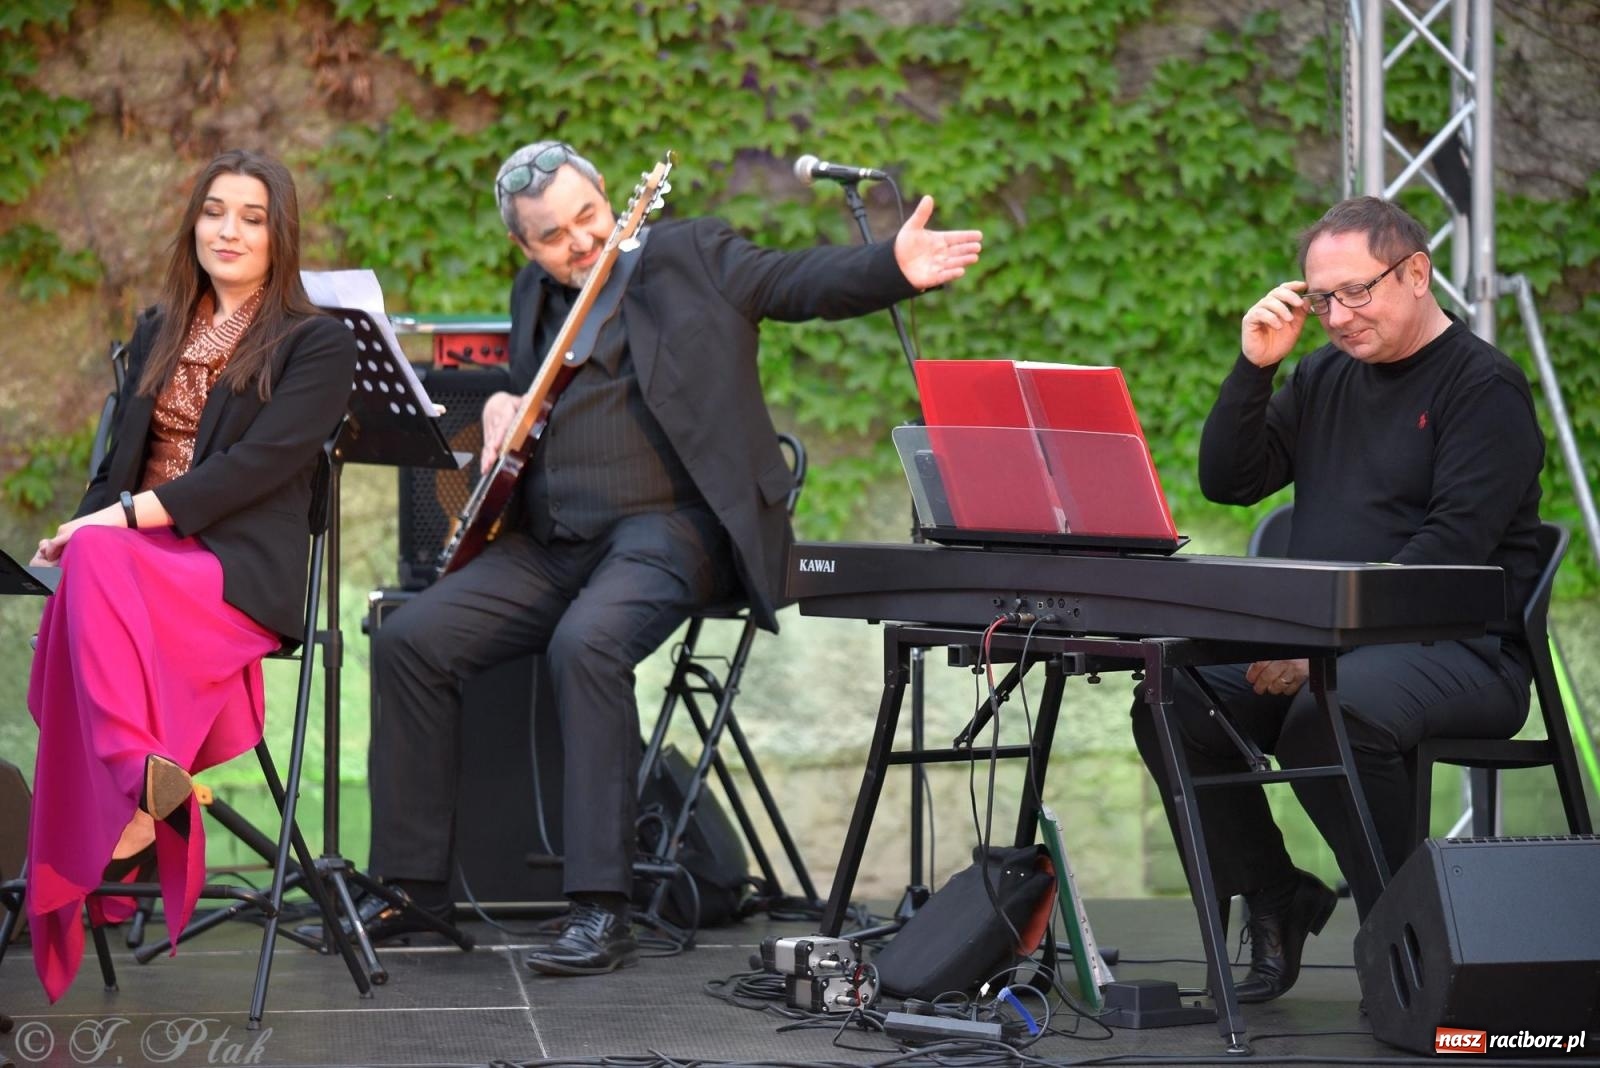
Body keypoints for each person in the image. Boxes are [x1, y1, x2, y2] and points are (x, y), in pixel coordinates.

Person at [364, 140, 982, 976]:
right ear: (525, 248)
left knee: (588, 644)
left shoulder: (692, 255)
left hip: (675, 532)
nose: (579, 243)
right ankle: (412, 889)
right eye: (553, 236)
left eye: (589, 218)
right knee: (410, 640)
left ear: (613, 201)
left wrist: (891, 267)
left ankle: (598, 908)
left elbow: (797, 283)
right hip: (554, 544)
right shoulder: (533, 295)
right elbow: (530, 392)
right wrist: (507, 400)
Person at [1129, 196, 1542, 1003]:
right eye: (1322, 299)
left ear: (1417, 273)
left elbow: (1446, 556)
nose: (1339, 316)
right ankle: (1277, 896)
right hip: (1333, 643)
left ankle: (1408, 942)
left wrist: (1320, 647)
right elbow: (1231, 480)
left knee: (1330, 715)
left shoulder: (1483, 386)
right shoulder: (1322, 375)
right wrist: (1257, 367)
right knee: (1172, 698)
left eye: (1359, 292)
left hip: (1462, 648)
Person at [23, 148, 358, 1001]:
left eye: (251, 216)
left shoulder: (318, 342)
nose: (229, 230)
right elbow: (116, 465)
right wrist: (81, 525)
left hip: (234, 568)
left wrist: (121, 520)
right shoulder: (159, 326)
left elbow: (259, 466)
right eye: (215, 211)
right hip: (132, 559)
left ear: (280, 235)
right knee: (84, 571)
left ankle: (129, 788)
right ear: (194, 222)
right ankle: (140, 778)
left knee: (95, 570)